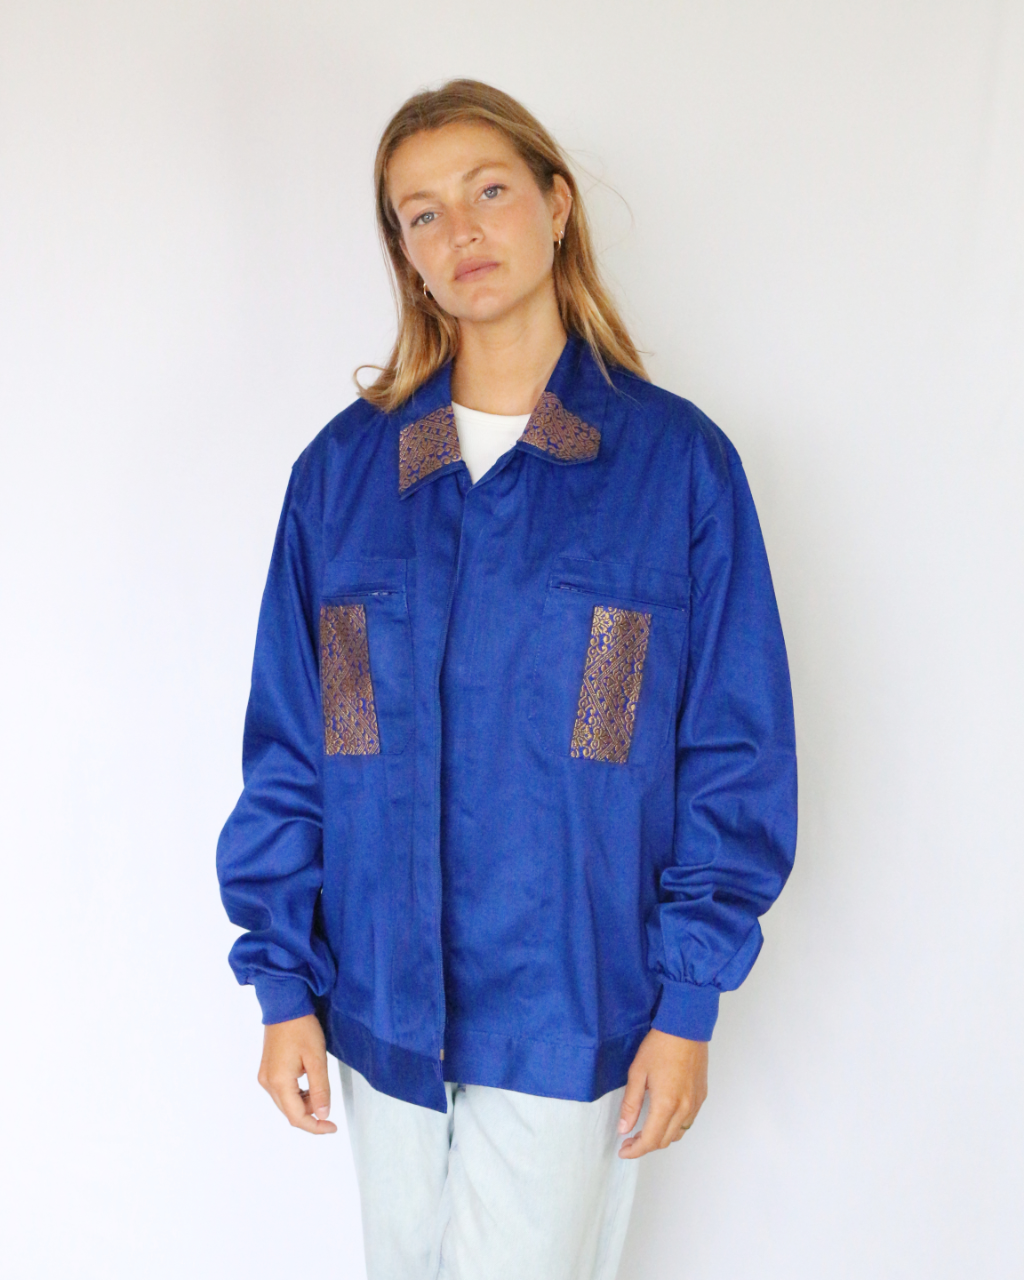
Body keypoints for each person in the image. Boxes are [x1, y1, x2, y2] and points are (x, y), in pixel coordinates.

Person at [216, 78, 797, 1280]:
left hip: (570, 1011)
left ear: (556, 204)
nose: (461, 232)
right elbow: (295, 746)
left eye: (488, 191)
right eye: (421, 213)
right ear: (403, 250)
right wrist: (281, 984)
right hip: (382, 1014)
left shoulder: (672, 468)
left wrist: (686, 1002)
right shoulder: (344, 477)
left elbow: (731, 750)